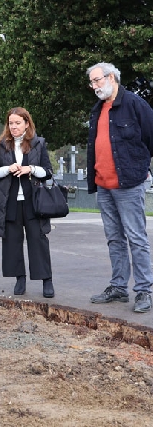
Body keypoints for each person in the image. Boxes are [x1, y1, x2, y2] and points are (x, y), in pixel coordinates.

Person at [86, 62, 153, 313]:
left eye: (97, 80)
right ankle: (118, 287)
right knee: (114, 238)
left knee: (136, 238)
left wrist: (140, 167)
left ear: (111, 77)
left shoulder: (135, 104)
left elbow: (151, 137)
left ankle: (144, 290)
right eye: (91, 82)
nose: (94, 86)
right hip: (103, 185)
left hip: (128, 184)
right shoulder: (98, 109)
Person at [0, 107, 55, 298]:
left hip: (34, 202)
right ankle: (20, 278)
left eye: (18, 123)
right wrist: (8, 169)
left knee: (38, 240)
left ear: (27, 123)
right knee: (12, 241)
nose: (14, 127)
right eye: (11, 123)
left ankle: (46, 280)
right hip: (10, 201)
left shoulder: (38, 143)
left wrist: (30, 169)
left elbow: (48, 172)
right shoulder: (1, 145)